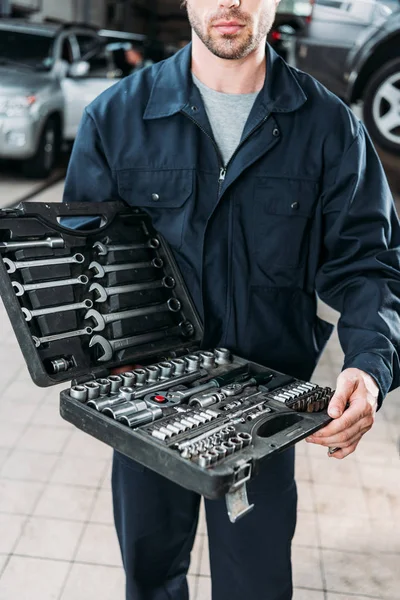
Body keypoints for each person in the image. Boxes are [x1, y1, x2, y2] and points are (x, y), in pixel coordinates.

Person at [63, 0, 400, 598]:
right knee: (151, 579)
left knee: (257, 587)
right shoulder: (115, 118)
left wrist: (370, 368)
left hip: (266, 418)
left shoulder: (327, 128)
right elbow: (83, 269)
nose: (231, 3)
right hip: (147, 408)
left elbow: (370, 264)